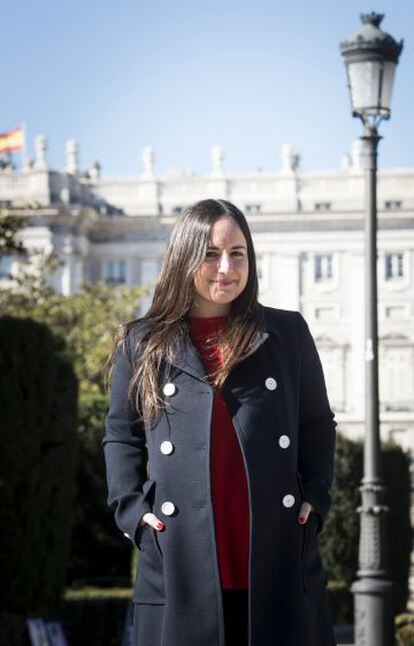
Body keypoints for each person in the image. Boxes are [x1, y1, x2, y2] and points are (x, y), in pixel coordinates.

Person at [103, 198, 337, 646]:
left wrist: (317, 497)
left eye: (238, 253)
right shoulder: (144, 342)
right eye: (210, 254)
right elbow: (121, 436)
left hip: (278, 555)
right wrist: (133, 512)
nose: (226, 267)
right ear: (184, 257)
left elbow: (317, 424)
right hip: (178, 558)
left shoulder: (286, 334)